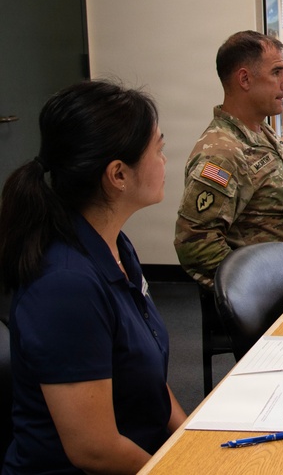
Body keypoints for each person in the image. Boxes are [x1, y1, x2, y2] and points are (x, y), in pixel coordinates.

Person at [0, 81, 186, 473]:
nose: (165, 162)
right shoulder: (65, 286)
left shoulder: (114, 246)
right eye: (159, 150)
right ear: (118, 174)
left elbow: (148, 379)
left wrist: (192, 442)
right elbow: (95, 449)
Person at [175, 31, 283, 288]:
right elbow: (195, 244)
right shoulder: (222, 153)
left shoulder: (260, 130)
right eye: (277, 72)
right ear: (244, 79)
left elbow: (270, 218)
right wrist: (271, 282)